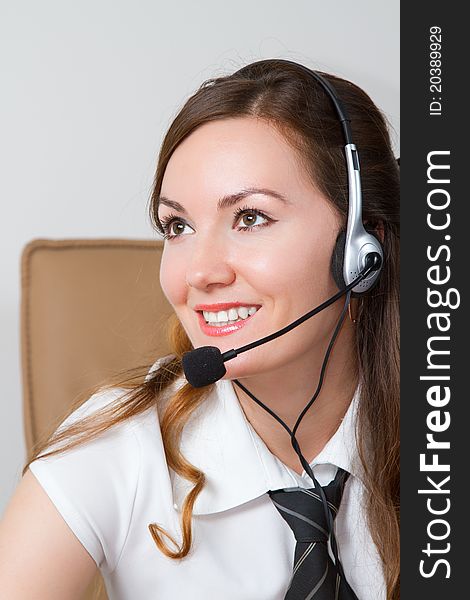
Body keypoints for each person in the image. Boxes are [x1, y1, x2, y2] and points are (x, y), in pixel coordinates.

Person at [0, 58, 399, 599]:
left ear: (362, 248)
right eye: (178, 226)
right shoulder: (118, 446)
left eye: (250, 217)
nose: (199, 272)